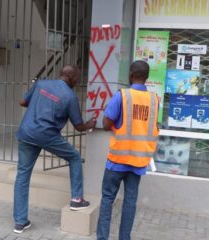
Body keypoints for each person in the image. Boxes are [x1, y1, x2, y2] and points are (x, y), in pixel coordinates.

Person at [13, 65, 96, 233]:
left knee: (22, 176)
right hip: (47, 135)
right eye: (77, 79)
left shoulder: (41, 84)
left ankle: (20, 222)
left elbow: (23, 101)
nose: (77, 81)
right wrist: (90, 124)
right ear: (72, 78)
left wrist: (38, 106)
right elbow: (79, 126)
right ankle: (77, 199)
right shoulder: (70, 97)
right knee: (74, 157)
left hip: (27, 132)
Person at [97, 60, 160, 240]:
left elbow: (107, 123)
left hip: (117, 161)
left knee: (107, 200)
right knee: (130, 202)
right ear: (147, 78)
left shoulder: (122, 96)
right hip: (138, 162)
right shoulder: (155, 100)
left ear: (131, 76)